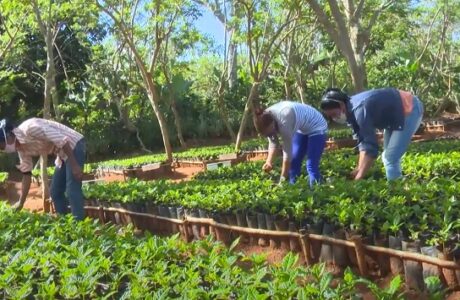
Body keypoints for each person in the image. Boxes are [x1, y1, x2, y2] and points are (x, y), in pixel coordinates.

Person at [320, 88, 423, 180]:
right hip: (395, 116)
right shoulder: (351, 111)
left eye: (334, 114)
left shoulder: (359, 109)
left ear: (341, 105)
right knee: (388, 158)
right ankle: (398, 184)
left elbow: (370, 148)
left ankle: (398, 192)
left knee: (390, 158)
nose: (334, 118)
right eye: (330, 117)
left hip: (409, 108)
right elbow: (363, 142)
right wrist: (358, 169)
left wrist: (359, 178)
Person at [0, 118, 86, 220]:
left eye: (1, 145)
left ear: (9, 136)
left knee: (72, 189)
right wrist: (21, 202)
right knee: (55, 192)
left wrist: (74, 165)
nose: (2, 149)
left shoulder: (30, 128)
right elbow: (26, 175)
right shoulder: (21, 149)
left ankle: (79, 224)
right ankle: (65, 223)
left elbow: (62, 139)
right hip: (62, 153)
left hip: (73, 145)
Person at [253, 101, 328, 186]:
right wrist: (269, 162)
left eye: (270, 133)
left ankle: (317, 192)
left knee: (311, 165)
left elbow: (287, 154)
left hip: (317, 126)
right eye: (267, 134)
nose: (270, 135)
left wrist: (282, 180)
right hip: (302, 128)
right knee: (294, 163)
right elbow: (273, 142)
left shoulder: (284, 121)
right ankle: (295, 190)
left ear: (272, 124)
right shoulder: (263, 117)